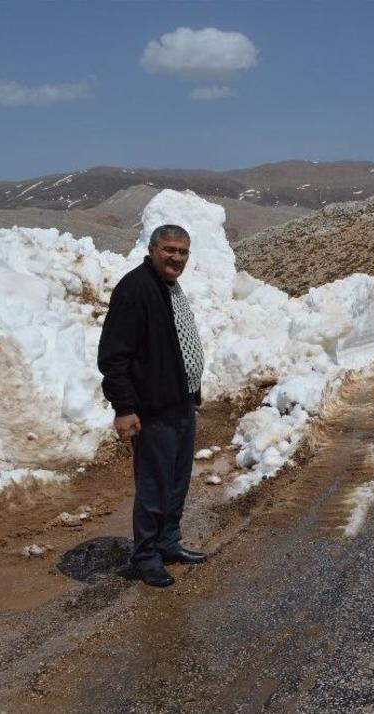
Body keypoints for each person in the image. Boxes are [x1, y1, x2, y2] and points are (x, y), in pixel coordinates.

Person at [98, 224, 207, 587]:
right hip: (154, 409)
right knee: (154, 486)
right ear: (152, 249)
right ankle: (145, 556)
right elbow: (114, 356)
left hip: (180, 403)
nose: (177, 257)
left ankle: (168, 542)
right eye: (169, 250)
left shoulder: (169, 286)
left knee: (176, 482)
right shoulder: (136, 289)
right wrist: (124, 407)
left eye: (183, 252)